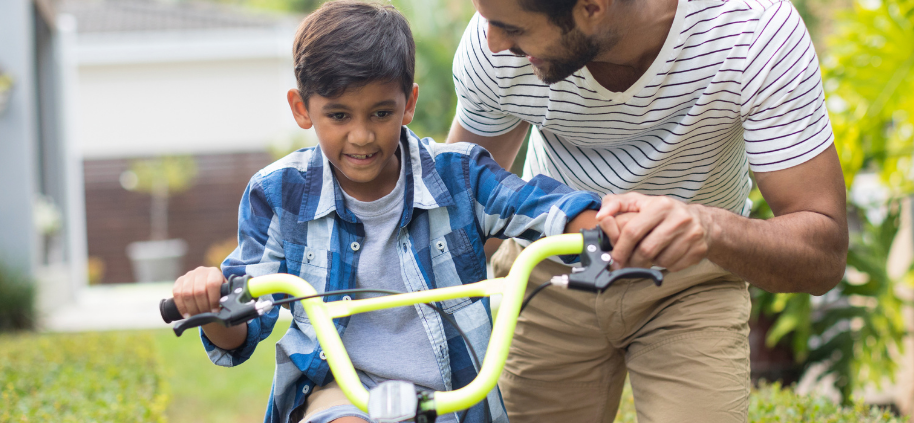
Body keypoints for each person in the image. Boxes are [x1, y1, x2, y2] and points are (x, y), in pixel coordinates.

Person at [171, 2, 611, 423]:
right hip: (342, 393)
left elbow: (539, 206)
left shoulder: (460, 175)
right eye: (339, 115)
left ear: (409, 103)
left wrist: (603, 230)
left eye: (381, 113)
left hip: (454, 396)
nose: (362, 135)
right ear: (302, 109)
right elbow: (242, 329)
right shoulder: (278, 194)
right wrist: (210, 303)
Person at [447, 0, 849, 422]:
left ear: (592, 7)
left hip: (692, 280)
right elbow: (455, 212)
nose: (493, 42)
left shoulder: (755, 31)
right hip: (551, 269)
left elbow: (823, 253)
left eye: (514, 29)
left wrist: (710, 227)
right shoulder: (496, 43)